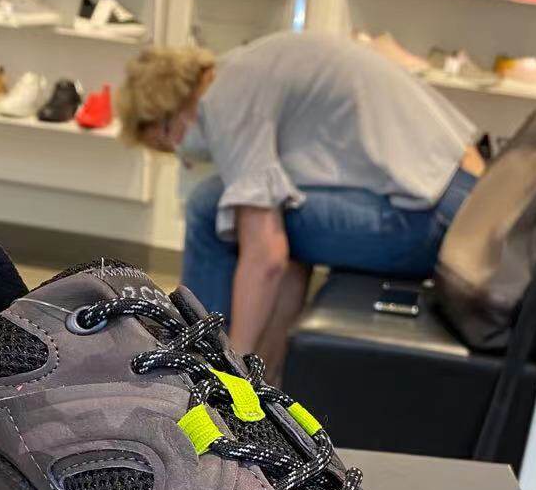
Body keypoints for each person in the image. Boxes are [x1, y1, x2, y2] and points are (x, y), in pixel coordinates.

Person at [117, 31, 484, 368]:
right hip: (461, 207)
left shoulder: (227, 98)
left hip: (428, 223)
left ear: (169, 107)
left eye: (168, 140)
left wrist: (234, 370)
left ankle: (208, 366)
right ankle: (268, 377)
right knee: (264, 212)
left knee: (210, 208)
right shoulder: (254, 66)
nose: (182, 154)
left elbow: (268, 257)